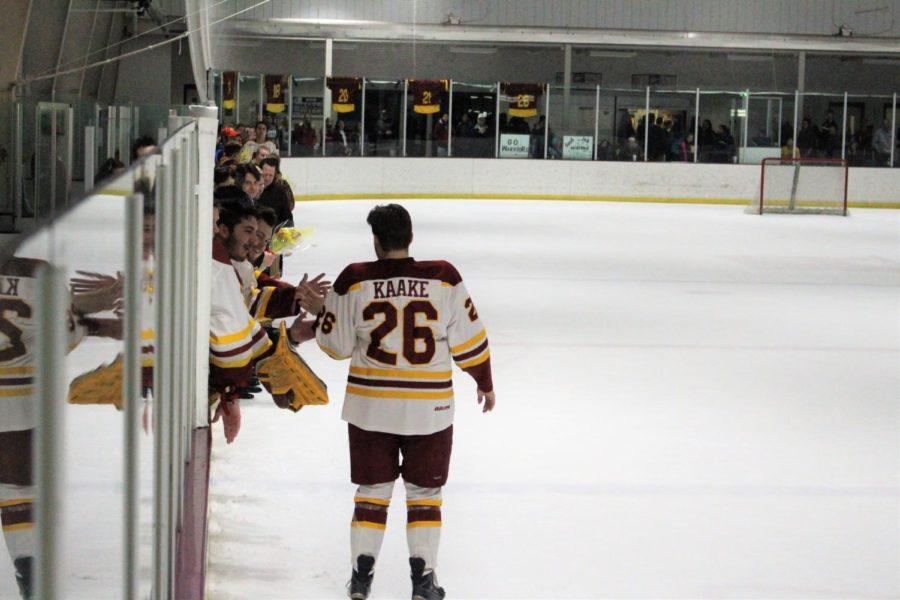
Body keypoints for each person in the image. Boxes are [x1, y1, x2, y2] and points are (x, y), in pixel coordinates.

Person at [301, 204, 495, 600]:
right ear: (411, 237)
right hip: (430, 409)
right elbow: (469, 339)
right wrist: (484, 380)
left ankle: (360, 577)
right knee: (425, 494)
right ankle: (423, 579)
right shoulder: (444, 276)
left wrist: (324, 311)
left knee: (373, 491)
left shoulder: (354, 279)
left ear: (375, 241)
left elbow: (336, 346)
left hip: (371, 405)